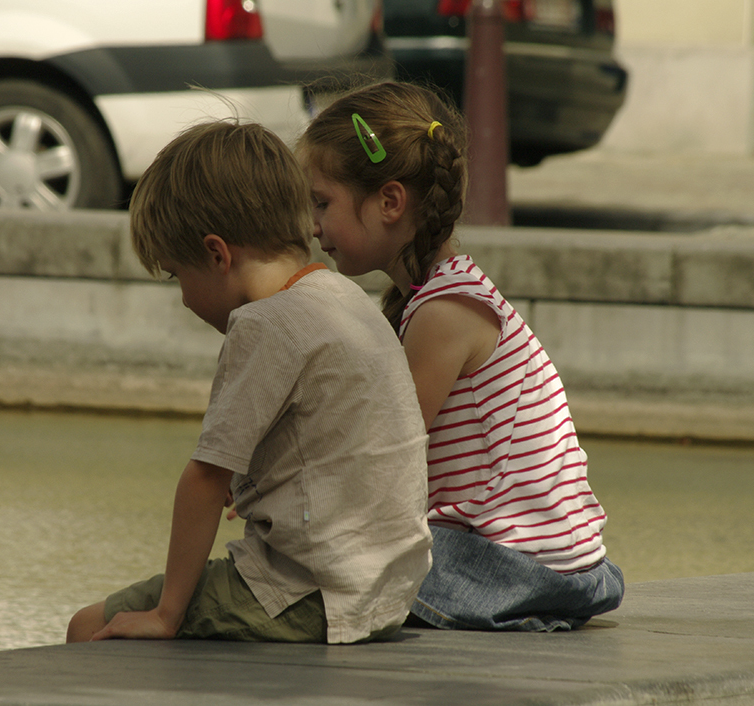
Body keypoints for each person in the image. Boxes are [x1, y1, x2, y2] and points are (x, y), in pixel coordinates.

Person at [65, 120, 432, 645]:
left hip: (308, 595)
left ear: (217, 254)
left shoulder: (264, 323)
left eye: (176, 276)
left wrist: (167, 616)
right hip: (386, 590)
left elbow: (204, 479)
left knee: (89, 626)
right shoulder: (344, 297)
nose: (186, 299)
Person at [296, 81, 625, 631]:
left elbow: (384, 455)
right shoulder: (438, 294)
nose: (312, 226)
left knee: (317, 572)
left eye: (322, 203)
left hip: (521, 567)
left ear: (390, 201)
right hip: (558, 560)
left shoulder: (443, 313)